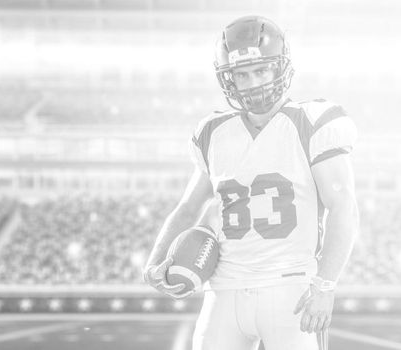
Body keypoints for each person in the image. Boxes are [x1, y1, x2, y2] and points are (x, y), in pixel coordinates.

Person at [143, 15, 359, 350]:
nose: (253, 82)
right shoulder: (213, 133)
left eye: (261, 70)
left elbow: (343, 205)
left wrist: (325, 285)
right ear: (229, 79)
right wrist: (155, 261)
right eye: (242, 75)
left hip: (291, 287)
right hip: (225, 287)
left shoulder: (312, 123)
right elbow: (188, 207)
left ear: (280, 69)